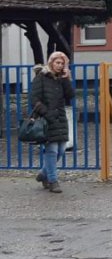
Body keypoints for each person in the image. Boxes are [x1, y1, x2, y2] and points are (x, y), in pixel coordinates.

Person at [29, 51, 74, 194]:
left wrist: (67, 78)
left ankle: (43, 174)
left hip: (60, 118)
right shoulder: (41, 77)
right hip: (47, 119)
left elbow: (70, 95)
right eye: (57, 62)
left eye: (62, 63)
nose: (60, 65)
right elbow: (34, 99)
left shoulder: (61, 78)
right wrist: (46, 113)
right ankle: (53, 181)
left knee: (61, 150)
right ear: (51, 62)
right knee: (52, 151)